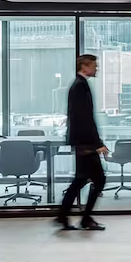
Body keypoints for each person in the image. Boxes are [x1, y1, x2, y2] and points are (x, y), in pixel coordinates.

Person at [56, 53, 106, 230]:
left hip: (83, 142)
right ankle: (84, 218)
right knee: (98, 179)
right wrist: (97, 143)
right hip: (85, 143)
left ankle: (63, 215)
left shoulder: (80, 85)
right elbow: (84, 118)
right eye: (94, 65)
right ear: (84, 67)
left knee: (81, 179)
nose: (96, 68)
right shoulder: (79, 86)